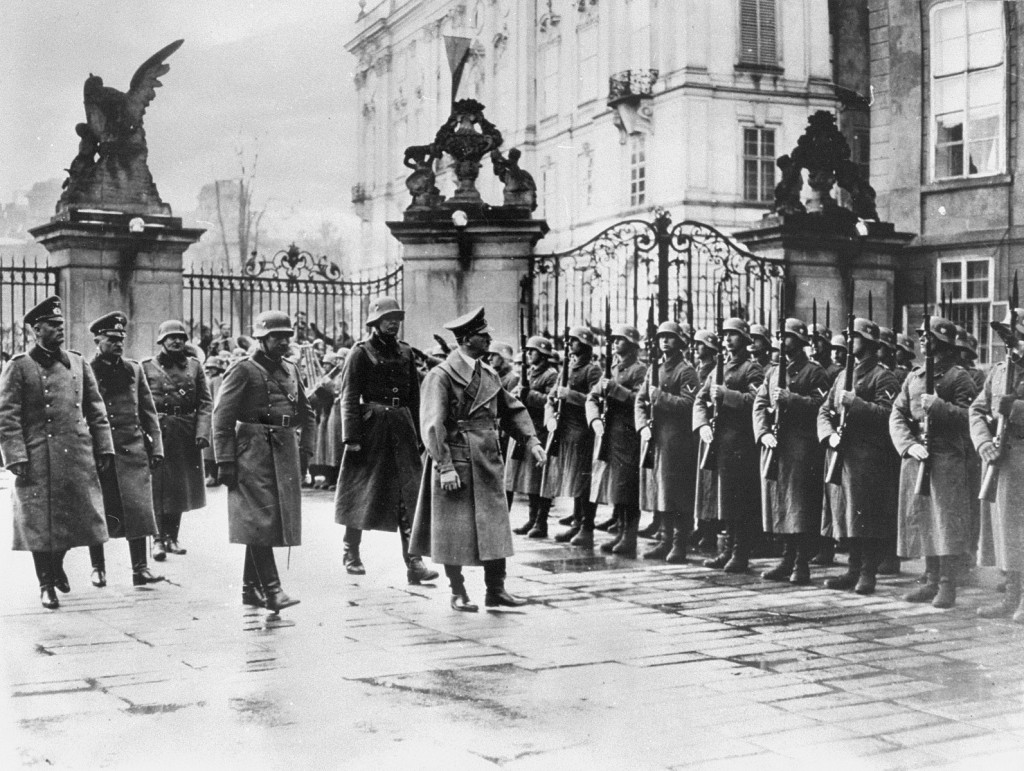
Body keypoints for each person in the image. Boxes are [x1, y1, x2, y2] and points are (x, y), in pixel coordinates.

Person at [410, 306, 545, 612]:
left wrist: (531, 439)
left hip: (487, 458)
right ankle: (458, 591)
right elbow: (432, 424)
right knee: (453, 530)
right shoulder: (440, 375)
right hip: (455, 459)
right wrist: (444, 467)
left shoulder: (489, 373)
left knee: (495, 524)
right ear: (469, 339)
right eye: (484, 336)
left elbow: (511, 409)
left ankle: (496, 590)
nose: (489, 340)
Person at [0, 296, 114, 609]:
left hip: (75, 453)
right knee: (39, 521)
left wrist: (104, 447)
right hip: (37, 455)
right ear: (37, 330)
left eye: (61, 325)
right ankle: (45, 584)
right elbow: (7, 415)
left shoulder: (77, 363)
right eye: (52, 325)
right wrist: (16, 456)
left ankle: (56, 565)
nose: (59, 330)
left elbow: (96, 409)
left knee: (75, 517)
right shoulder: (19, 366)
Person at [213, 310, 315, 611]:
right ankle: (271, 589)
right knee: (260, 519)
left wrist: (306, 452)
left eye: (287, 336)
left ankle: (249, 589)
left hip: (284, 450)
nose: (284, 342)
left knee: (265, 522)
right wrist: (225, 461)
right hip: (252, 452)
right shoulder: (243, 370)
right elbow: (222, 417)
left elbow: (306, 413)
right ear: (261, 338)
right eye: (276, 337)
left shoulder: (291, 369)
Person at [334, 297, 438, 584]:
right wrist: (351, 436)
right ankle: (351, 551)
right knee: (361, 492)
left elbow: (416, 397)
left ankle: (414, 562)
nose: (393, 322)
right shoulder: (360, 352)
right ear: (375, 322)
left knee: (409, 494)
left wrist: (420, 433)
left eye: (396, 318)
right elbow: (349, 395)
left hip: (401, 426)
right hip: (372, 429)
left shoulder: (405, 352)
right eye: (387, 318)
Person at [890, 316, 977, 608]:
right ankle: (929, 579)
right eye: (921, 335)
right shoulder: (914, 376)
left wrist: (939, 406)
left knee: (946, 521)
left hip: (946, 456)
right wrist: (907, 445)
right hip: (917, 455)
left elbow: (971, 418)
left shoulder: (958, 377)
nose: (922, 340)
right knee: (924, 518)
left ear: (941, 340)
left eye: (927, 335)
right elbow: (897, 413)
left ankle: (947, 585)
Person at [817, 318, 901, 595]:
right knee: (846, 513)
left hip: (869, 455)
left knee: (866, 515)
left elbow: (890, 415)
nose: (849, 341)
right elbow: (824, 410)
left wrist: (858, 404)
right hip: (843, 451)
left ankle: (868, 573)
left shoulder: (882, 376)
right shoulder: (843, 376)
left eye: (855, 336)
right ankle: (853, 569)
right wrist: (829, 435)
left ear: (870, 342)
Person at [86, 312, 166, 588]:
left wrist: (156, 446)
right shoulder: (87, 370)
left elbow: (148, 410)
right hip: (101, 451)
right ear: (98, 340)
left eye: (121, 339)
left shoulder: (133, 369)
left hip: (133, 449)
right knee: (100, 510)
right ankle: (98, 568)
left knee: (138, 509)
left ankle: (140, 568)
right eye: (111, 339)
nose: (118, 344)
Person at [754, 318, 830, 584]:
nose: (781, 341)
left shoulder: (814, 371)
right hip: (777, 445)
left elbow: (823, 405)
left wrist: (793, 400)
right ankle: (786, 558)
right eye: (780, 336)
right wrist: (762, 432)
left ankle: (801, 563)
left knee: (799, 505)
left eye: (787, 336)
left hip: (802, 445)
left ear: (799, 341)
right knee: (779, 502)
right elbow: (760, 402)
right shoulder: (773, 372)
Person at [694, 318, 765, 572]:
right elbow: (700, 399)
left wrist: (727, 396)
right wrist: (702, 424)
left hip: (742, 442)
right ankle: (727, 550)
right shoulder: (717, 370)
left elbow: (757, 401)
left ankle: (740, 553)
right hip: (721, 441)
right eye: (725, 335)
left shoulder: (751, 369)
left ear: (745, 340)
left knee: (741, 500)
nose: (727, 339)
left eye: (733, 335)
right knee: (726, 500)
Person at [143, 320, 213, 560]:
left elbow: (205, 402)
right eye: (171, 337)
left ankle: (173, 537)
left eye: (181, 338)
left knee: (179, 486)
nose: (177, 341)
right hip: (158, 432)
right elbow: (140, 403)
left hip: (185, 431)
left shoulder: (194, 367)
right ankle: (158, 539)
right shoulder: (146, 367)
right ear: (161, 341)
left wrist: (202, 432)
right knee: (158, 486)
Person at [971, 307, 1024, 620]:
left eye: (1013, 334)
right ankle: (1012, 597)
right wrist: (982, 443)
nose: (1008, 340)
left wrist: (1016, 409)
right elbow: (976, 410)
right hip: (999, 460)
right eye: (1005, 334)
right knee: (1007, 535)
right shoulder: (1000, 370)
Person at [634, 321, 700, 563]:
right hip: (657, 438)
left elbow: (689, 404)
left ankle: (679, 544)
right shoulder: (656, 368)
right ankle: (664, 540)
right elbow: (640, 400)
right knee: (660, 490)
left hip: (678, 440)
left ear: (680, 342)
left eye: (670, 337)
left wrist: (659, 397)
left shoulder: (686, 371)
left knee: (678, 493)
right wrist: (642, 425)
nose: (664, 341)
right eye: (661, 337)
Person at [586, 324, 648, 558]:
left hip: (629, 433)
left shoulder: (639, 370)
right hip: (612, 433)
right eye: (614, 340)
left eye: (620, 340)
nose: (615, 343)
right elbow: (594, 394)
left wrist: (616, 390)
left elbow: (641, 400)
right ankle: (620, 531)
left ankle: (629, 536)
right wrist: (594, 418)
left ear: (632, 346)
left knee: (628, 486)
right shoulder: (612, 367)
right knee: (617, 485)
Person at [545, 327, 602, 545]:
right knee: (574, 479)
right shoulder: (567, 369)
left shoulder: (592, 370)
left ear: (585, 344)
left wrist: (571, 395)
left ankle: (587, 527)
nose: (569, 343)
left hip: (584, 431)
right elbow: (552, 398)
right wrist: (550, 417)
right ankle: (577, 523)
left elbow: (596, 399)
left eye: (574, 340)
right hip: (567, 430)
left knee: (584, 481)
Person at [506, 336, 557, 539]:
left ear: (543, 354)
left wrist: (529, 395)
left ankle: (540, 521)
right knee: (528, 477)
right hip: (525, 428)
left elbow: (550, 401)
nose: (529, 354)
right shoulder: (529, 373)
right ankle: (532, 517)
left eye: (532, 351)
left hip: (540, 430)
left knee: (539, 478)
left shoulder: (551, 375)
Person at [690, 329, 722, 554]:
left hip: (716, 430)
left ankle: (708, 530)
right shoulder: (700, 370)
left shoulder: (712, 370)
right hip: (701, 429)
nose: (696, 348)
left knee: (710, 484)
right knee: (702, 483)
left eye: (701, 344)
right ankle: (702, 527)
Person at [203, 353, 228, 486]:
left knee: (211, 450)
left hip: (212, 415)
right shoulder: (210, 379)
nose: (210, 370)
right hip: (208, 414)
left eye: (213, 367)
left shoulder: (217, 379)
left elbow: (216, 397)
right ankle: (210, 475)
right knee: (208, 450)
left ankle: (213, 475)